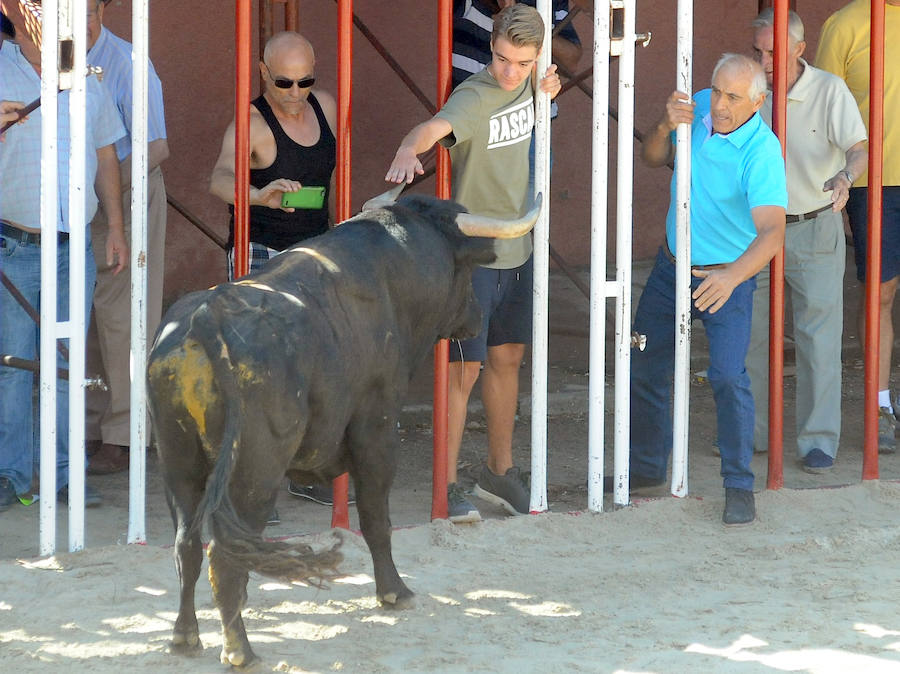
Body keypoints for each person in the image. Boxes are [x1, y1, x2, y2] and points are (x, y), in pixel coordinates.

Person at [386, 4, 562, 523]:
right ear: (491, 49)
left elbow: (538, 95)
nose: (511, 71)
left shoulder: (533, 85)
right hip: (474, 256)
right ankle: (448, 486)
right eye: (504, 59)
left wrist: (543, 88)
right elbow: (433, 127)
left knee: (508, 361)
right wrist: (405, 149)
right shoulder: (475, 95)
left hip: (519, 248)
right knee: (462, 371)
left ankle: (499, 472)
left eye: (523, 63)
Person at [623, 54, 787, 525]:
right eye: (716, 90)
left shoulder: (762, 151)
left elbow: (772, 233)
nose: (718, 103)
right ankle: (649, 469)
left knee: (727, 377)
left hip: (726, 275)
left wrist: (733, 276)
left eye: (733, 97)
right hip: (671, 264)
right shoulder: (696, 107)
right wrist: (662, 125)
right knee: (646, 360)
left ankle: (739, 485)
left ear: (758, 101)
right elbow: (653, 158)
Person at [0, 0, 128, 511]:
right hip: (12, 242)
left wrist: (115, 227)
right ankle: (11, 476)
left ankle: (61, 474)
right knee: (13, 366)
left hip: (72, 246)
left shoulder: (84, 78)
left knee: (66, 364)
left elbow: (104, 153)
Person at [210, 31, 339, 507]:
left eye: (306, 81)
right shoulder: (251, 122)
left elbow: (335, 170)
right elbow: (220, 177)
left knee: (315, 365)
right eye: (284, 82)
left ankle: (303, 468)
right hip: (260, 251)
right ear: (264, 73)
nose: (295, 93)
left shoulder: (324, 105)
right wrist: (258, 194)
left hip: (315, 250)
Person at [747, 8, 868, 473]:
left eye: (774, 51)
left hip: (814, 223)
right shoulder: (748, 88)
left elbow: (859, 148)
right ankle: (752, 432)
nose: (765, 59)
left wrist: (846, 176)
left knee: (819, 339)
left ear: (799, 48)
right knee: (749, 338)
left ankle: (818, 440)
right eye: (757, 50)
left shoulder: (829, 89)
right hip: (755, 230)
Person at [84, 0, 169, 475]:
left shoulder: (129, 64)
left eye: (90, 10)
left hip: (129, 190)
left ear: (105, 10)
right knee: (86, 316)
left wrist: (105, 197)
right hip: (77, 202)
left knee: (124, 315)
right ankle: (94, 426)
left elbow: (156, 147)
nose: (83, 21)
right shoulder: (44, 60)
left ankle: (126, 434)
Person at [816, 0, 900, 453]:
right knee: (881, 294)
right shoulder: (847, 23)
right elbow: (822, 104)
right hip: (875, 183)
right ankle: (879, 405)